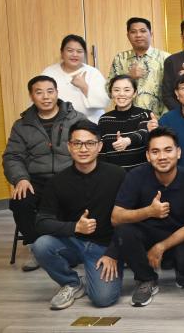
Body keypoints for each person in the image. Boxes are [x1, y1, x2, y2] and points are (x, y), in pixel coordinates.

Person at [31, 120, 126, 310]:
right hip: (73, 242)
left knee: (102, 299)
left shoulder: (118, 175)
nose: (83, 149)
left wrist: (114, 253)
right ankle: (72, 283)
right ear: (69, 146)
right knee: (41, 245)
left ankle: (95, 275)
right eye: (77, 143)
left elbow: (129, 220)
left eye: (90, 143)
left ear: (99, 146)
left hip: (105, 247)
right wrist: (75, 227)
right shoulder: (57, 182)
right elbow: (41, 222)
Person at [110, 127, 184, 307]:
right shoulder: (136, 176)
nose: (162, 157)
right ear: (147, 156)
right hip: (146, 235)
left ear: (178, 152)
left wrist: (161, 247)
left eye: (168, 150)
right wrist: (149, 211)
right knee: (123, 231)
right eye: (155, 151)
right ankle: (146, 279)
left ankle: (181, 269)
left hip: (178, 237)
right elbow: (116, 217)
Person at [3, 75, 87, 271]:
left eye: (50, 91)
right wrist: (21, 179)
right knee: (20, 201)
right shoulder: (21, 125)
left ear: (57, 93)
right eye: (39, 92)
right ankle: (38, 247)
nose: (46, 97)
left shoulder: (77, 119)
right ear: (31, 96)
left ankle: (69, 248)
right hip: (36, 180)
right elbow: (12, 156)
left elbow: (91, 146)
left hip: (71, 176)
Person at [108, 17, 171, 115]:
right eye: (133, 32)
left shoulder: (165, 58)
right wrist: (129, 77)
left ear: (151, 34)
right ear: (128, 36)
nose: (138, 35)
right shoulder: (120, 58)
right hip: (127, 117)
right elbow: (109, 90)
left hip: (158, 118)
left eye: (143, 31)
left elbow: (173, 92)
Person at [42, 34, 110, 122]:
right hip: (58, 124)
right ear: (62, 53)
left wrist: (84, 86)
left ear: (84, 54)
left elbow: (105, 102)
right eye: (70, 50)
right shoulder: (49, 72)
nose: (74, 54)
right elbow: (38, 99)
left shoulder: (93, 73)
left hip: (90, 123)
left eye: (79, 51)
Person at [98, 75, 157, 171]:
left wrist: (127, 141)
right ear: (111, 93)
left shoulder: (144, 114)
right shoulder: (104, 119)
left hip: (140, 174)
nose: (121, 94)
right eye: (116, 90)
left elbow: (143, 132)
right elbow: (101, 151)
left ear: (134, 93)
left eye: (127, 90)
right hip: (114, 175)